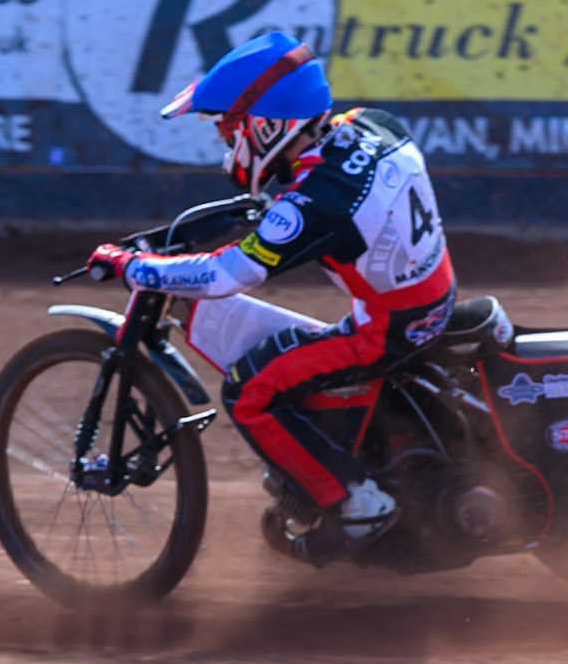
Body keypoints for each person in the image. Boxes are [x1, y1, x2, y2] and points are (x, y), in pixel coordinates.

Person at [88, 31, 455, 564]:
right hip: (431, 298)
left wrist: (134, 266)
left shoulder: (315, 202)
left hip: (387, 330)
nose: (224, 143)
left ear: (264, 126)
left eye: (226, 129)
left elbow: (227, 275)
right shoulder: (369, 125)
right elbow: (306, 201)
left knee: (251, 389)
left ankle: (357, 505)